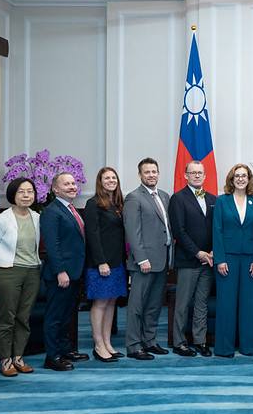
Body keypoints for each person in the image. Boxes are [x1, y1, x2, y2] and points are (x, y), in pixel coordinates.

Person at [0, 178, 42, 377]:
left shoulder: (37, 217)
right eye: (21, 192)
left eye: (30, 191)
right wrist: (1, 268)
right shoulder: (1, 220)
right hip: (7, 272)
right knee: (6, 318)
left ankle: (18, 357)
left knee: (23, 317)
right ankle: (5, 359)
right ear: (13, 195)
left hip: (33, 271)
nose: (26, 195)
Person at [213, 164, 253, 357]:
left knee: (249, 304)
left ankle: (249, 346)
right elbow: (217, 231)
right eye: (237, 176)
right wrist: (220, 259)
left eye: (244, 176)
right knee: (226, 303)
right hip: (227, 259)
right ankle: (225, 348)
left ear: (249, 179)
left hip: (250, 260)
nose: (241, 179)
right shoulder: (222, 201)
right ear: (231, 179)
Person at [124, 158, 171, 360]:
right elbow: (132, 232)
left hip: (162, 260)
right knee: (137, 306)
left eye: (154, 171)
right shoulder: (133, 198)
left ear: (158, 173)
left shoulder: (164, 196)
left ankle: (149, 341)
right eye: (147, 172)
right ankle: (134, 345)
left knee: (154, 305)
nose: (151, 175)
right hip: (144, 262)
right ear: (140, 175)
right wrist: (141, 258)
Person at [168, 160, 217, 358]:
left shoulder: (213, 199)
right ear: (186, 175)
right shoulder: (178, 198)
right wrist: (198, 253)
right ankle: (179, 342)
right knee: (182, 304)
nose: (197, 176)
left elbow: (216, 229)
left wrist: (212, 252)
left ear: (205, 176)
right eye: (193, 172)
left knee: (201, 302)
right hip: (189, 260)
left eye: (200, 173)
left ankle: (200, 340)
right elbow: (179, 231)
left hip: (208, 261)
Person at [40, 172, 88, 371]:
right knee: (55, 316)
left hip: (75, 272)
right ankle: (52, 357)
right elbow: (52, 245)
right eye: (66, 184)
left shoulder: (71, 209)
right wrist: (60, 271)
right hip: (61, 274)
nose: (72, 186)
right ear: (55, 189)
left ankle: (65, 350)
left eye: (73, 183)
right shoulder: (51, 211)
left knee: (67, 315)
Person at [84, 167, 127, 363]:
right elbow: (92, 235)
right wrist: (101, 262)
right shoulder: (93, 204)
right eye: (107, 178)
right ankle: (98, 345)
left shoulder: (118, 204)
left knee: (111, 303)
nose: (111, 180)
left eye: (113, 178)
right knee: (100, 302)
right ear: (100, 182)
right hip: (101, 263)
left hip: (117, 262)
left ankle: (108, 343)